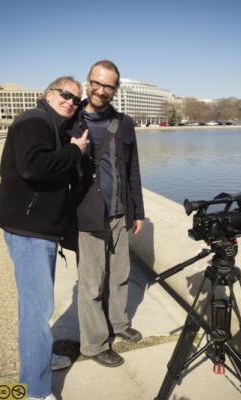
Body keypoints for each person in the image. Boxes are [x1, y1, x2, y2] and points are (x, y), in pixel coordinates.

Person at [0, 76, 89, 400]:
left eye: (76, 100)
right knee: (36, 312)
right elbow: (33, 166)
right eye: (65, 95)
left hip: (35, 230)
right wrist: (75, 152)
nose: (71, 102)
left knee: (37, 309)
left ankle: (40, 359)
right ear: (48, 93)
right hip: (29, 232)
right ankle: (35, 391)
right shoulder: (34, 121)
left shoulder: (51, 124)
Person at [66, 60, 145, 368]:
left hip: (120, 213)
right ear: (87, 82)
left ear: (116, 89)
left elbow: (133, 168)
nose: (99, 90)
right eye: (95, 83)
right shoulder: (70, 120)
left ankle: (119, 323)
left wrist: (137, 210)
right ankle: (94, 343)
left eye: (107, 85)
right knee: (91, 284)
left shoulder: (124, 123)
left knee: (121, 275)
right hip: (88, 214)